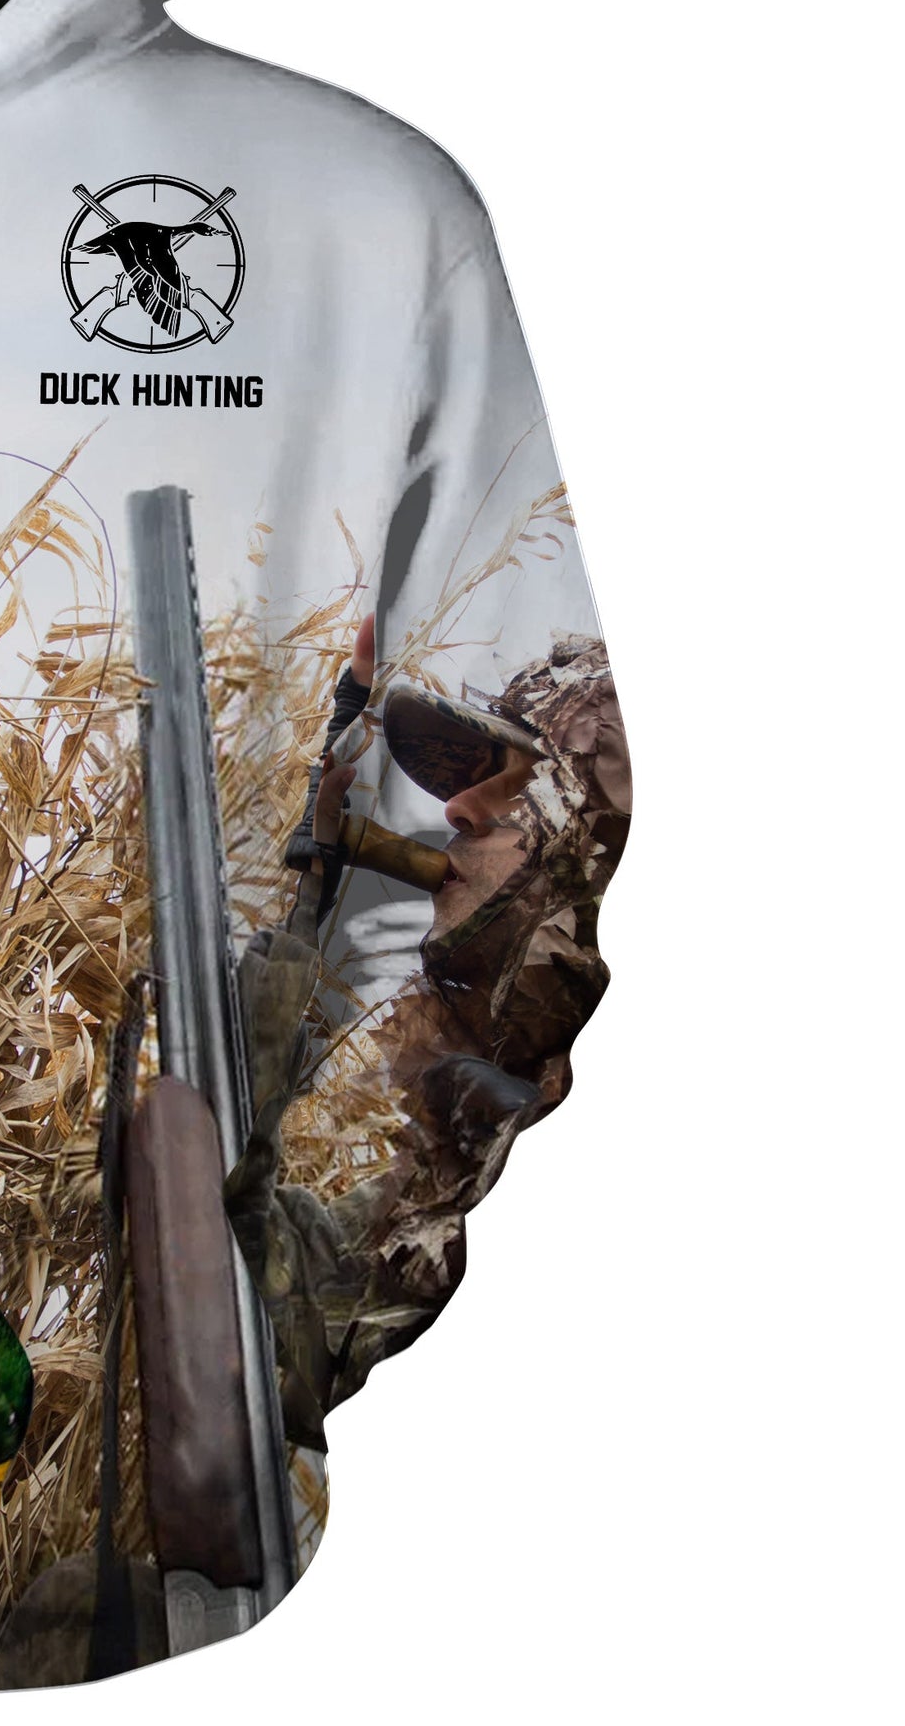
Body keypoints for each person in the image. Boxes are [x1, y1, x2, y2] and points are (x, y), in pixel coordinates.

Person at [226, 616, 631, 1450]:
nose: (456, 809)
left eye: (519, 785)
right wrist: (309, 900)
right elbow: (270, 1312)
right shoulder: (452, 1143)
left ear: (597, 830)